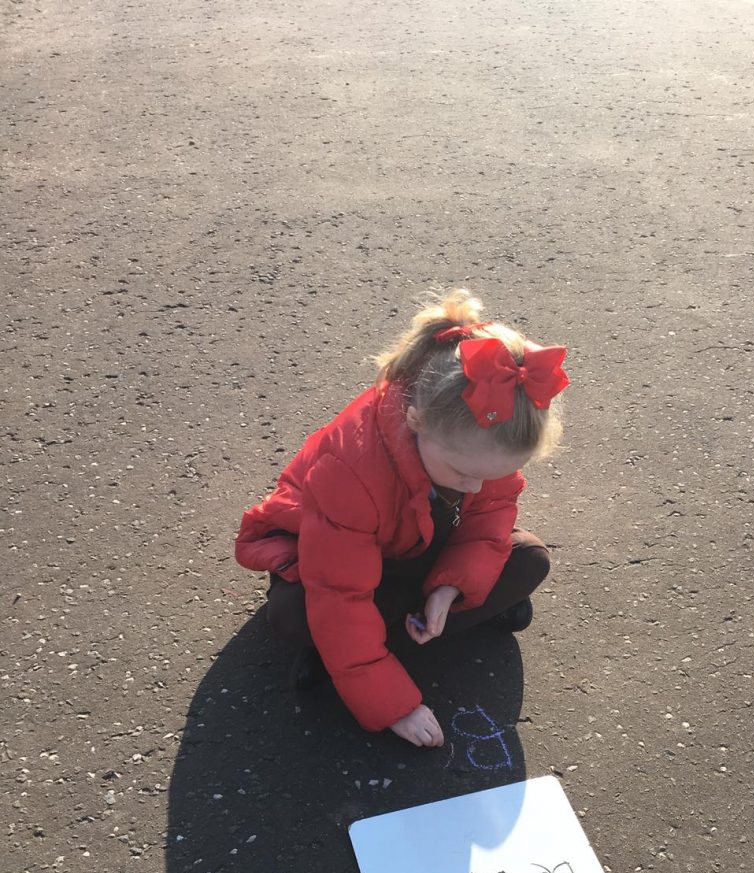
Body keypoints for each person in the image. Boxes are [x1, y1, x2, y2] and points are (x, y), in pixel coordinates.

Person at [234, 288, 569, 749]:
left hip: (413, 541)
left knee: (529, 558)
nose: (475, 487)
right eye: (463, 474)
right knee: (296, 617)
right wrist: (391, 702)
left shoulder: (475, 444)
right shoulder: (350, 470)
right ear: (415, 421)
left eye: (493, 475)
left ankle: (353, 652)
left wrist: (450, 587)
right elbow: (339, 592)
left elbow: (491, 518)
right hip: (332, 553)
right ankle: (356, 657)